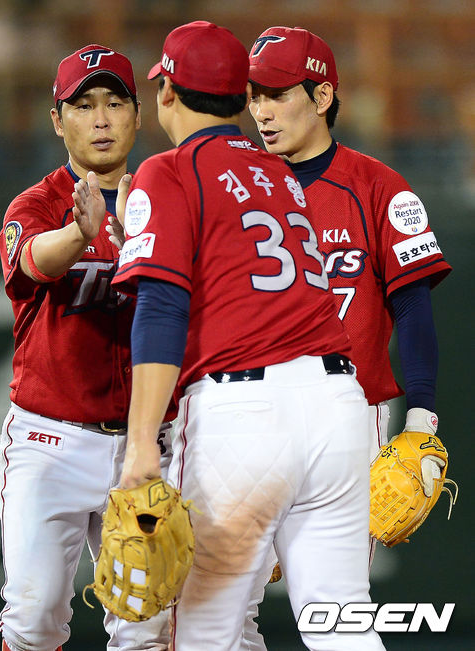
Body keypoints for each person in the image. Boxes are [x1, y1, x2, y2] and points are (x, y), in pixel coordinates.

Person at [104, 20, 385, 650]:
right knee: (342, 625)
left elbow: (163, 308)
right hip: (338, 407)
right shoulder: (281, 173)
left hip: (243, 415)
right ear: (239, 97)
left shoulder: (168, 170)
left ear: (167, 91)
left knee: (204, 633)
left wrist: (141, 446)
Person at [245, 23, 452, 643]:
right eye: (253, 96)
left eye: (277, 94)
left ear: (322, 95)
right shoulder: (235, 186)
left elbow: (413, 310)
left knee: (334, 615)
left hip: (347, 415)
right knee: (214, 614)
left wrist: (422, 418)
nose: (261, 111)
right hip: (244, 413)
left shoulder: (378, 187)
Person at [0, 44, 170, 651]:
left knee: (147, 630)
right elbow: (32, 261)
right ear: (57, 119)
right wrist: (81, 231)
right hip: (52, 439)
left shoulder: (169, 199)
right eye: (84, 105)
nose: (100, 119)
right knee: (34, 619)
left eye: (115, 103)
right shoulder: (37, 204)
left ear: (138, 114)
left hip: (149, 443)